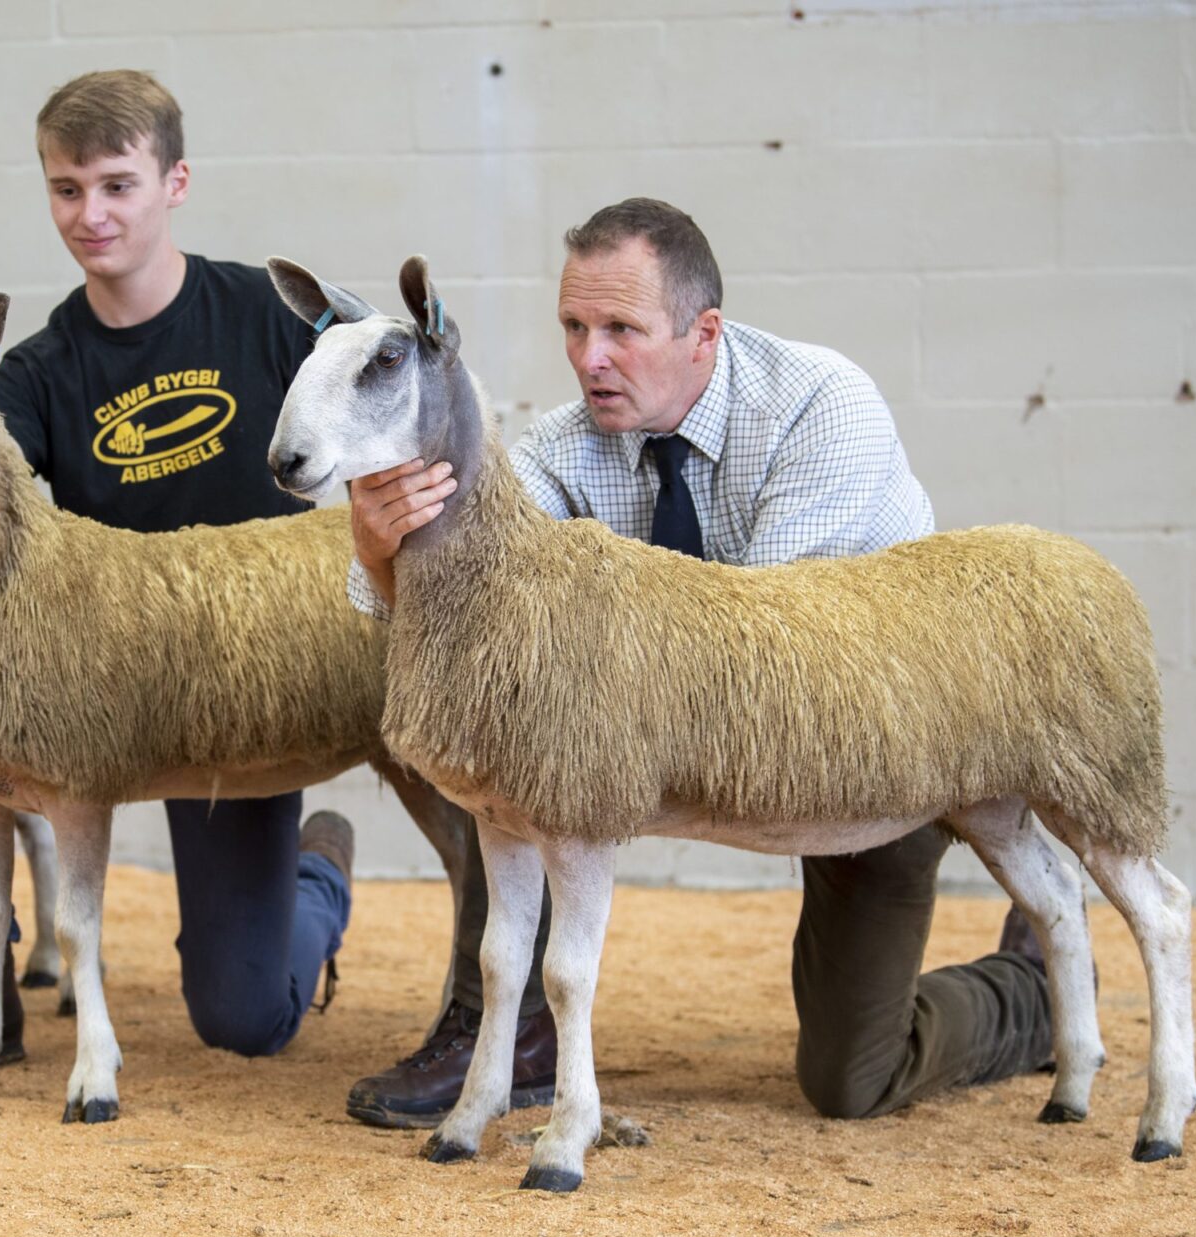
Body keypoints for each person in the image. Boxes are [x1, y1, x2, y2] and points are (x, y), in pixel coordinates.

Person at [342, 197, 1054, 1128]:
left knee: (851, 1079)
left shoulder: (817, 404)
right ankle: (503, 1036)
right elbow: (467, 637)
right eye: (573, 326)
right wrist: (378, 549)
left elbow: (769, 654)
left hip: (862, 737)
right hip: (688, 749)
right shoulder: (562, 449)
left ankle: (1025, 997)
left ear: (703, 333)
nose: (590, 357)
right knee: (504, 746)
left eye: (621, 330)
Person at [0, 70, 355, 1082]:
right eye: (66, 188)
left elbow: (384, 420)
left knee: (246, 1017)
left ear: (175, 182)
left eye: (117, 183)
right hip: (97, 684)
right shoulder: (30, 373)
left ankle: (316, 881)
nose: (91, 213)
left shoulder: (269, 317)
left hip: (237, 681)